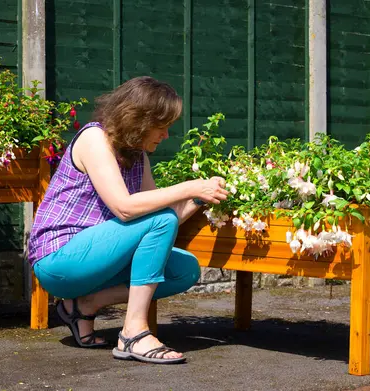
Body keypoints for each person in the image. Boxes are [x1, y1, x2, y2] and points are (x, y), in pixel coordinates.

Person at [27, 76, 229, 365]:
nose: (166, 135)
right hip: (60, 259)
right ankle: (133, 333)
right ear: (139, 119)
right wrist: (189, 187)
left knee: (185, 270)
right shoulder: (94, 139)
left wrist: (199, 198)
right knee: (156, 218)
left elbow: (163, 219)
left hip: (99, 262)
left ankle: (84, 305)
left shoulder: (136, 156)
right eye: (162, 126)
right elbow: (125, 208)